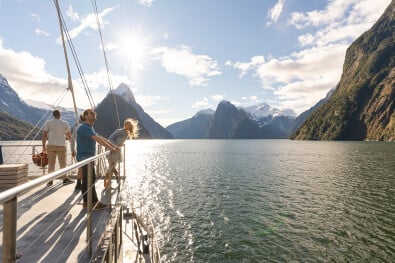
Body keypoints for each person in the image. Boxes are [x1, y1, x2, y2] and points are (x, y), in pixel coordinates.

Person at [76, 109, 118, 210]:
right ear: (86, 116)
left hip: (87, 157)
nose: (94, 116)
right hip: (85, 157)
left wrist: (113, 146)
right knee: (89, 179)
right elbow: (97, 139)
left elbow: (102, 138)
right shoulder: (84, 128)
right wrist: (111, 148)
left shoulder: (90, 128)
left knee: (87, 180)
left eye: (95, 114)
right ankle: (93, 203)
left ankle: (86, 203)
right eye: (91, 114)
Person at [42, 109, 74, 186]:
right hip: (61, 145)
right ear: (60, 115)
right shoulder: (65, 123)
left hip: (51, 145)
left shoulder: (48, 123)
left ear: (53, 115)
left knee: (51, 164)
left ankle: (50, 180)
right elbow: (68, 136)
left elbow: (45, 135)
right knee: (63, 163)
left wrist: (43, 146)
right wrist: (72, 145)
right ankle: (64, 179)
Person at [104, 118, 139, 188]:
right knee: (112, 166)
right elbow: (111, 138)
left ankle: (108, 182)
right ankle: (108, 183)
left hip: (117, 150)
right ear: (124, 125)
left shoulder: (126, 133)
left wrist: (121, 144)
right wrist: (114, 146)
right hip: (112, 150)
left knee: (112, 166)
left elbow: (119, 141)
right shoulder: (119, 131)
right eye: (127, 125)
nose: (128, 126)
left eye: (129, 125)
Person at [70, 114, 84, 191]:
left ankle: (79, 183)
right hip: (86, 151)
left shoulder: (76, 128)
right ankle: (80, 184)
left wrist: (72, 150)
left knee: (80, 168)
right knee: (85, 168)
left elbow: (72, 141)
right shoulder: (88, 127)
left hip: (79, 150)